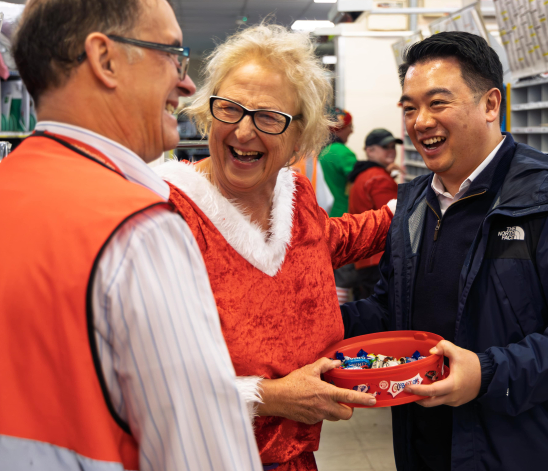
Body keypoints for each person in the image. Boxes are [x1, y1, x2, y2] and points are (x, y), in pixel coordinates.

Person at [0, 0, 261, 471]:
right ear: (105, 58)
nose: (186, 83)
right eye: (172, 54)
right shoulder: (135, 231)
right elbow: (204, 456)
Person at [341, 32, 548, 470]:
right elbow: (392, 311)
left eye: (438, 103)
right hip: (430, 446)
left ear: (491, 104)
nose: (420, 121)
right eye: (410, 108)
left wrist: (488, 373)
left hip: (533, 451)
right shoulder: (414, 205)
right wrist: (316, 319)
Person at [154, 24, 395, 471]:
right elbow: (140, 381)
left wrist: (415, 207)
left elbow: (327, 243)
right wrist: (270, 397)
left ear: (300, 135)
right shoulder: (166, 215)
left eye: (268, 117)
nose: (243, 132)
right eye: (229, 109)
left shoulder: (296, 196)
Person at [347, 128, 403, 300]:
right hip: (378, 259)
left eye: (393, 146)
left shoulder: (364, 174)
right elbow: (396, 220)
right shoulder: (379, 178)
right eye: (385, 146)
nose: (391, 151)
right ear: (370, 150)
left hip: (365, 258)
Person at [319, 108, 356, 217]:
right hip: (343, 214)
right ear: (340, 128)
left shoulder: (324, 151)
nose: (352, 131)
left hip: (328, 211)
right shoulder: (341, 152)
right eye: (350, 126)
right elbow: (360, 182)